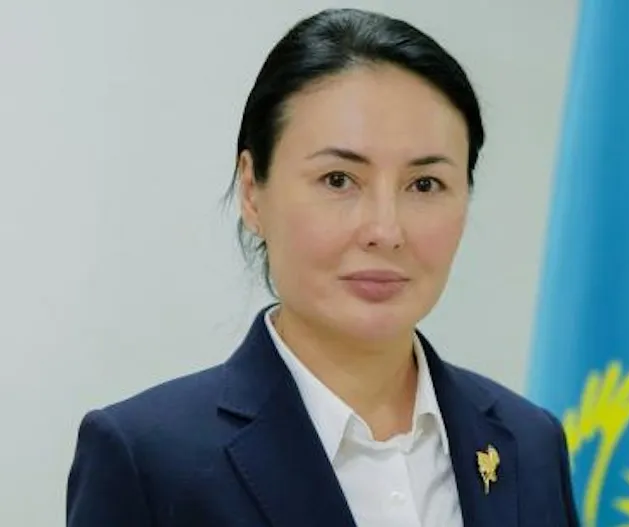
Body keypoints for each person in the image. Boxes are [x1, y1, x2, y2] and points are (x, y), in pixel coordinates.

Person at [66, 8, 579, 527]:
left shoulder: (528, 444)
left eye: (424, 185)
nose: (385, 230)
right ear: (252, 190)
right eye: (338, 180)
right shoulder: (150, 460)